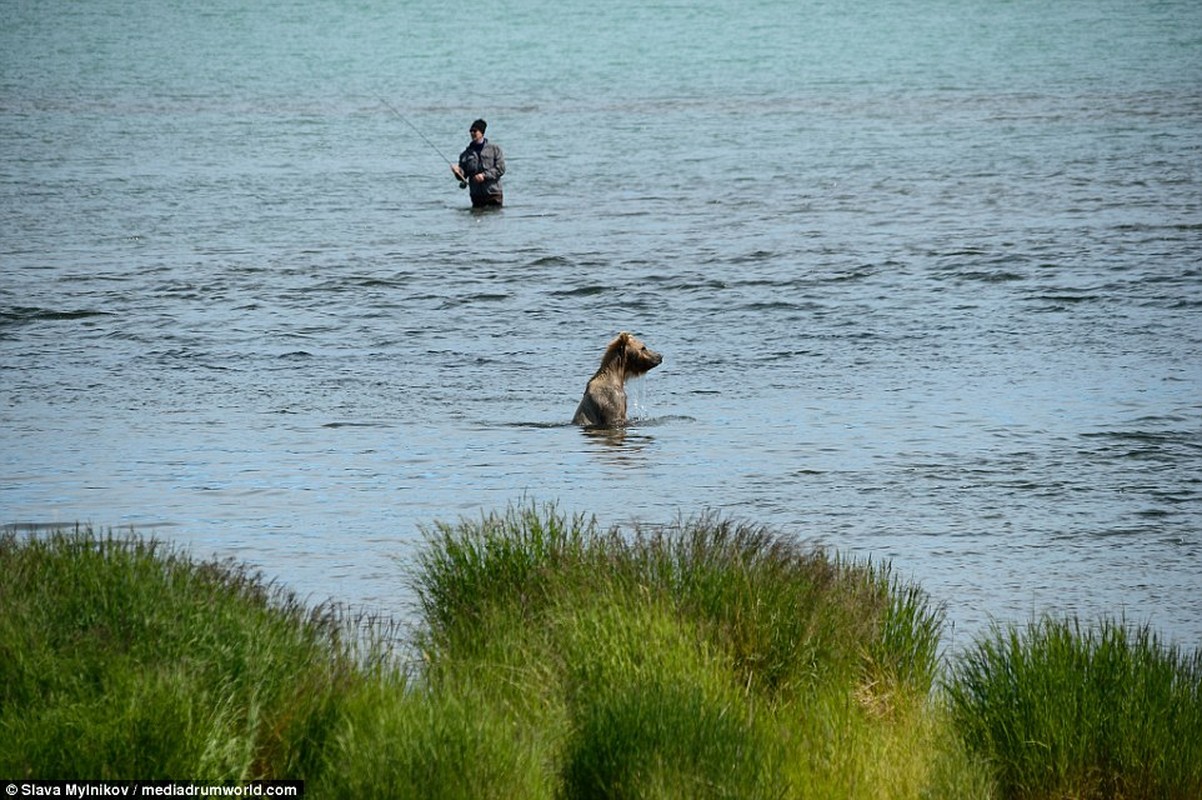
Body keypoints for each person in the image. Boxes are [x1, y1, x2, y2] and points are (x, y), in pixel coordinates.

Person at [452, 119, 505, 208]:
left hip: (494, 194)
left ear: (482, 132)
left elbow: (500, 169)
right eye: (471, 131)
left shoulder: (495, 149)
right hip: (476, 197)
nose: (472, 133)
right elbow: (463, 177)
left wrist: (484, 176)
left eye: (475, 131)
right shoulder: (465, 154)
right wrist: (457, 172)